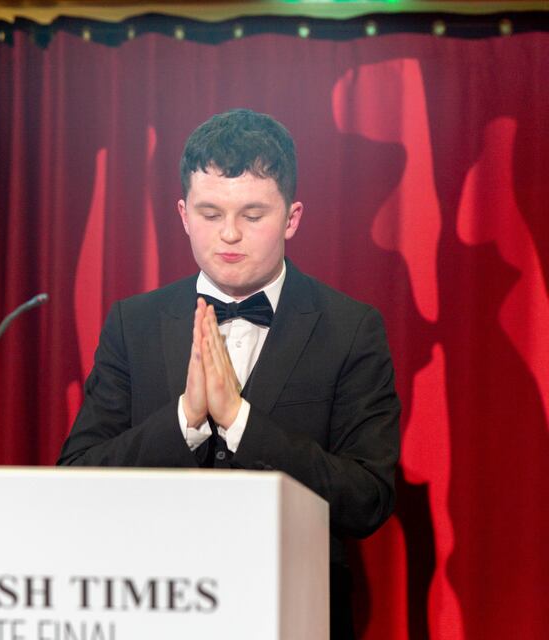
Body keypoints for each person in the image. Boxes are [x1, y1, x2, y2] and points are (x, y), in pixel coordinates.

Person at [57, 108, 400, 638]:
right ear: (183, 214)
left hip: (293, 610)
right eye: (211, 213)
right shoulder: (135, 322)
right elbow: (76, 481)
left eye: (253, 215)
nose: (230, 235)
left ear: (292, 217)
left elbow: (367, 499)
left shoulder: (350, 328)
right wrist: (184, 420)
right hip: (152, 612)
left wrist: (239, 421)